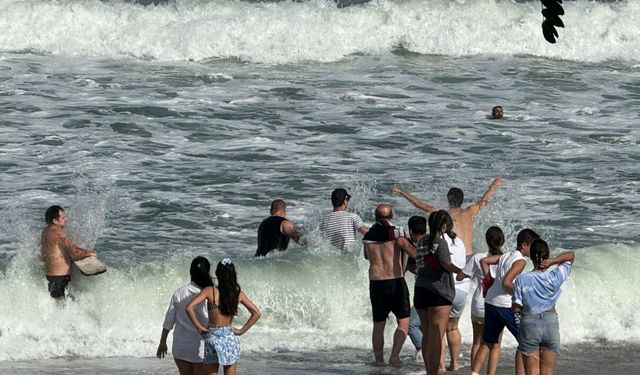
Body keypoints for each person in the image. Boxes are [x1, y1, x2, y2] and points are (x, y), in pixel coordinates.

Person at [470, 228, 540, 375]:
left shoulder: (507, 254)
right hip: (504, 305)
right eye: (532, 245)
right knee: (525, 342)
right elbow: (507, 283)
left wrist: (489, 280)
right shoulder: (520, 261)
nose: (534, 249)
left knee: (487, 343)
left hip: (490, 302)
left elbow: (484, 261)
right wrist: (522, 295)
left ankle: (474, 373)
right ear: (524, 245)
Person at [391, 177, 503, 256]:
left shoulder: (444, 214)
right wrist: (494, 184)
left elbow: (421, 205)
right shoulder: (470, 212)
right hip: (469, 256)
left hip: (454, 257)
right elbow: (484, 201)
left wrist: (402, 191)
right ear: (462, 200)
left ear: (448, 199)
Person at [362, 203, 416, 366]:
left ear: (375, 217)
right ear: (391, 216)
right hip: (395, 281)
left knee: (378, 325)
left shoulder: (368, 235)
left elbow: (366, 256)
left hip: (376, 282)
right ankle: (394, 356)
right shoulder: (397, 232)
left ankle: (379, 359)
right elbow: (411, 251)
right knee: (404, 321)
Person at [186, 259, 261, 375]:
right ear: (233, 275)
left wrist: (198, 327)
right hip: (229, 337)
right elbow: (256, 313)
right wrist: (241, 331)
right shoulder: (237, 294)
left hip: (212, 337)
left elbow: (189, 307)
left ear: (217, 274)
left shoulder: (209, 291)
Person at [512, 240, 575, 375]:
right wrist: (553, 261)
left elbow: (516, 307)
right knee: (547, 372)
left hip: (529, 323)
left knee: (532, 372)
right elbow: (571, 255)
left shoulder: (521, 279)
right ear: (546, 256)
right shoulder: (555, 276)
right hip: (550, 322)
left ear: (531, 257)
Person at [414, 210, 462, 375]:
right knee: (437, 337)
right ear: (443, 226)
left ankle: (429, 371)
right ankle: (433, 372)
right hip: (439, 293)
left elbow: (417, 264)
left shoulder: (421, 241)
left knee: (427, 334)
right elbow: (445, 263)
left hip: (420, 291)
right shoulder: (440, 243)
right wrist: (460, 271)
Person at [457, 226, 505, 373]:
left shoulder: (478, 257)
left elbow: (462, 275)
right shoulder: (506, 258)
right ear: (502, 241)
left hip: (480, 302)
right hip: (498, 303)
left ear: (487, 241)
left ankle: (475, 372)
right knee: (495, 344)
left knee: (477, 342)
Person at [157, 256, 214, 375]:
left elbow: (169, 320)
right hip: (200, 348)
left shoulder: (179, 292)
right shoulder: (209, 293)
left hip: (180, 347)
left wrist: (162, 342)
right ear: (207, 272)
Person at [40, 205, 97, 298]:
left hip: (51, 276)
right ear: (55, 221)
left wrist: (84, 250)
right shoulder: (59, 233)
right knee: (65, 304)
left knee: (56, 305)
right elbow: (73, 251)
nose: (65, 219)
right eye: (63, 218)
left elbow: (63, 248)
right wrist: (89, 253)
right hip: (61, 278)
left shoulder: (46, 231)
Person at [441, 212, 470, 372]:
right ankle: (454, 363)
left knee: (439, 330)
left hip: (447, 289)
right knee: (452, 328)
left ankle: (440, 366)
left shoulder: (439, 240)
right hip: (462, 288)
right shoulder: (459, 241)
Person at [406, 215, 427, 363]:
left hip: (425, 291)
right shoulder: (435, 242)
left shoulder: (419, 246)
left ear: (411, 231)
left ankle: (424, 349)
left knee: (411, 324)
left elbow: (423, 270)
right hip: (443, 291)